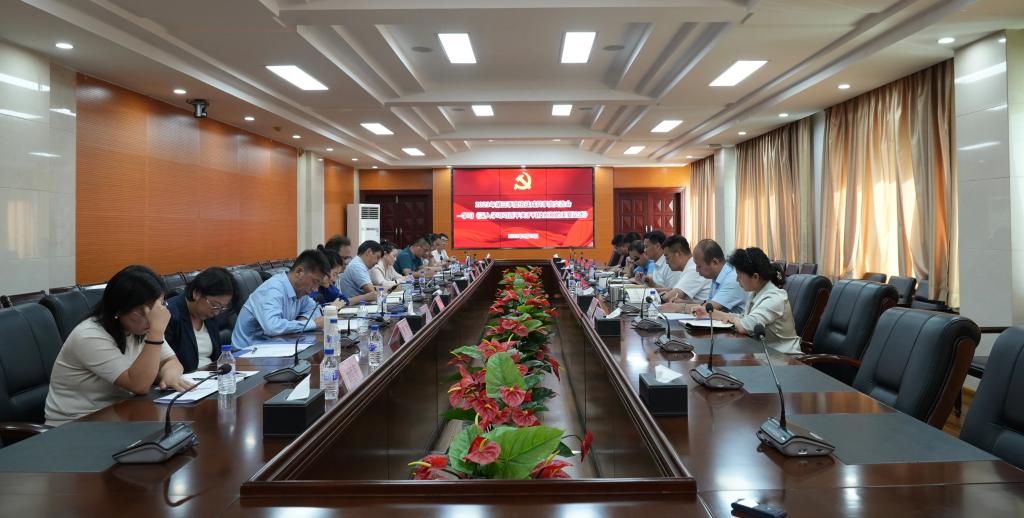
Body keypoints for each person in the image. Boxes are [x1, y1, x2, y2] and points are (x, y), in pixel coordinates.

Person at [45, 265, 192, 426]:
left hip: (121, 414)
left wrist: (170, 375)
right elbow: (139, 385)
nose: (152, 317)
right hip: (75, 425)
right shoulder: (89, 336)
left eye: (158, 307)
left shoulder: (141, 328)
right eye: (143, 310)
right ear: (119, 309)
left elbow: (171, 361)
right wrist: (156, 332)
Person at [695, 247, 801, 354]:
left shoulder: (775, 298)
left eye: (739, 275)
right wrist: (710, 313)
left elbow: (746, 326)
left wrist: (732, 318)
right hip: (763, 353)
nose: (737, 279)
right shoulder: (755, 293)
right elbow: (743, 318)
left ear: (755, 277)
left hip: (785, 358)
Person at [231, 249, 330, 348]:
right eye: (315, 282)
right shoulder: (273, 289)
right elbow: (273, 327)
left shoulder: (300, 291)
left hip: (274, 346)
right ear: (299, 272)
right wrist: (311, 324)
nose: (315, 289)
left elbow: (315, 309)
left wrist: (303, 322)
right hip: (247, 351)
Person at [165, 267, 237, 373]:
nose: (216, 312)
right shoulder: (170, 314)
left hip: (212, 375)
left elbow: (217, 357)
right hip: (185, 378)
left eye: (221, 308)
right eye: (215, 305)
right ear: (197, 293)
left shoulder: (208, 315)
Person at [676, 239, 747, 314]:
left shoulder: (732, 279)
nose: (696, 270)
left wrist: (679, 307)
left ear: (714, 262)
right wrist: (683, 302)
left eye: (699, 266)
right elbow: (708, 303)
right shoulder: (717, 276)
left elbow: (707, 309)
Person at [658, 235, 711, 304]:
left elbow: (670, 297)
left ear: (678, 254)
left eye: (667, 258)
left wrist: (661, 296)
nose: (666, 262)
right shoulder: (689, 266)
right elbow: (674, 290)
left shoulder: (694, 269)